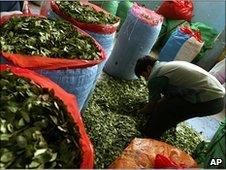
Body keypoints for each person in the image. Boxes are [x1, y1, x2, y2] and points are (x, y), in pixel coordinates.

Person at [134, 55, 225, 139]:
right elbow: (169, 96)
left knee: (164, 109)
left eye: (144, 75)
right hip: (217, 100)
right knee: (173, 107)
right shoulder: (166, 67)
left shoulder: (155, 77)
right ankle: (165, 128)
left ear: (149, 68)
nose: (146, 79)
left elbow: (151, 106)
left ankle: (148, 136)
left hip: (209, 101)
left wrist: (138, 112)